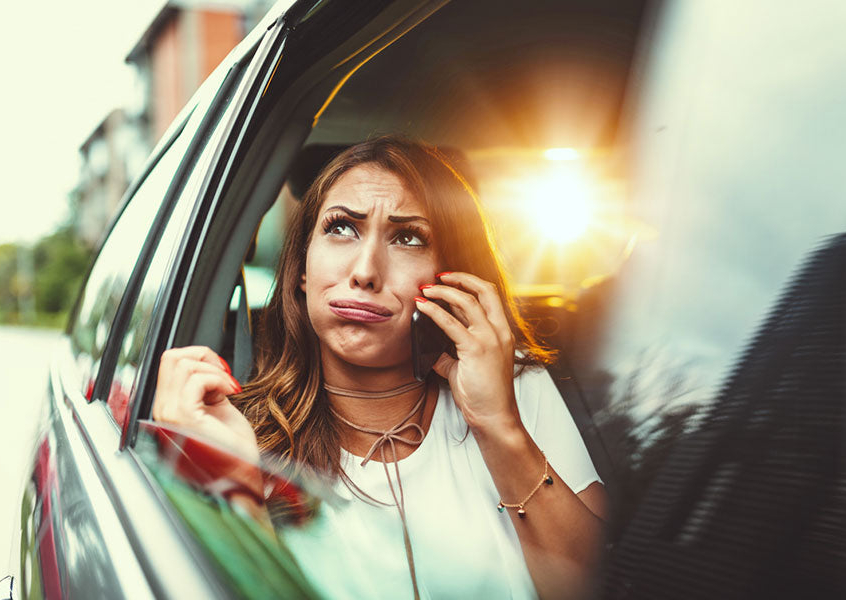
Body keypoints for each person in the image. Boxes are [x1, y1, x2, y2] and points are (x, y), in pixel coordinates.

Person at [153, 136, 607, 599]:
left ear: (451, 278)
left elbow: (595, 589)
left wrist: (497, 425)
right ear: (303, 267)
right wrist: (239, 494)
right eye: (341, 228)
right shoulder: (235, 435)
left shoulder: (515, 386)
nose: (366, 270)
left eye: (407, 237)